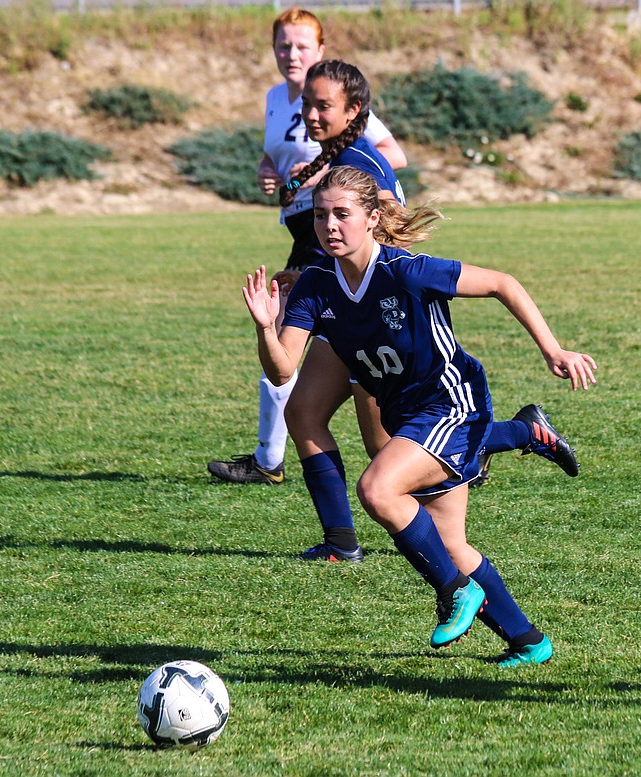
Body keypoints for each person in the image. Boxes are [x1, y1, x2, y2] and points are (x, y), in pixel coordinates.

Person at [214, 58, 580, 563]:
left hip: (376, 322)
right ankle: (341, 541)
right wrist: (314, 283)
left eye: (324, 106)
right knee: (303, 411)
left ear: (354, 110)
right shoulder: (338, 158)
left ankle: (519, 433)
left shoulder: (361, 164)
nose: (311, 116)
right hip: (343, 310)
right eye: (306, 105)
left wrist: (355, 288)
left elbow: (384, 242)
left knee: (386, 446)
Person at [242, 164, 597, 664]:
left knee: (377, 489)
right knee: (451, 545)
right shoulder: (316, 285)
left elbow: (502, 283)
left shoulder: (404, 270)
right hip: (409, 416)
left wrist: (553, 350)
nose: (330, 226)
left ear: (371, 218)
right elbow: (282, 373)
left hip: (453, 403)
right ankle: (528, 640)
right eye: (321, 216)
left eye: (342, 214)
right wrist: (264, 327)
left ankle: (457, 591)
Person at [208, 7, 406, 489]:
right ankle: (274, 460)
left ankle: (475, 443)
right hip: (308, 235)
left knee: (375, 419)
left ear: (320, 51)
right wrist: (269, 171)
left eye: (300, 46)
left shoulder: (339, 103)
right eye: (282, 45)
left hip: (340, 245)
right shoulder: (279, 100)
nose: (290, 54)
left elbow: (387, 167)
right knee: (290, 342)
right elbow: (276, 155)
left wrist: (333, 188)